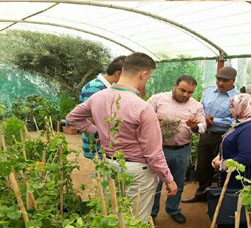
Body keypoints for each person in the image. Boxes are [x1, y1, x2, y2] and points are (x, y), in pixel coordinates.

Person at [66, 52, 177, 221]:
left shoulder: (98, 97)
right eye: (148, 77)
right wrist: (168, 178)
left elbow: (72, 117)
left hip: (109, 166)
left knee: (112, 215)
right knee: (136, 220)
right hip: (138, 171)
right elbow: (153, 153)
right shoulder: (142, 107)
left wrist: (96, 131)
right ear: (144, 74)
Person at [148, 75, 206, 224]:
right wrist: (154, 118)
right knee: (155, 183)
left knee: (178, 183)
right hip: (158, 149)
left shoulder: (196, 106)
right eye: (183, 90)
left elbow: (203, 126)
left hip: (182, 149)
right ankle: (151, 213)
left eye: (190, 92)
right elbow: (143, 116)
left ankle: (173, 210)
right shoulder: (157, 99)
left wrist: (195, 126)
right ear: (175, 85)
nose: (186, 95)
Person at [211, 93, 251, 226]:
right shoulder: (245, 122)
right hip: (240, 179)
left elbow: (246, 158)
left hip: (247, 181)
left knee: (245, 218)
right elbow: (235, 144)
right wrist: (220, 155)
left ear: (244, 107)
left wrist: (221, 164)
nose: (230, 110)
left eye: (232, 107)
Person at [182, 66, 238, 203]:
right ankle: (201, 194)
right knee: (202, 167)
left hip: (224, 137)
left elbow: (236, 120)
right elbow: (200, 110)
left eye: (225, 80)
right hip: (206, 135)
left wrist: (214, 120)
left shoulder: (237, 97)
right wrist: (204, 117)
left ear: (233, 81)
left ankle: (220, 198)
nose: (221, 83)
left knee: (222, 166)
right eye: (218, 79)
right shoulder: (208, 91)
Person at [79, 56, 126, 159]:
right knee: (100, 172)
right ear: (118, 73)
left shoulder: (109, 88)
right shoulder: (95, 87)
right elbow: (94, 118)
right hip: (96, 147)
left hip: (106, 145)